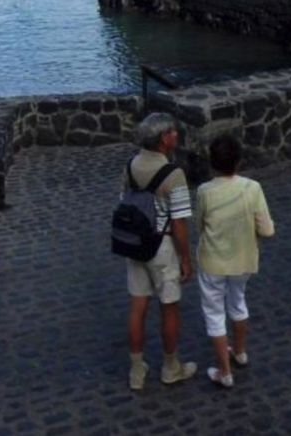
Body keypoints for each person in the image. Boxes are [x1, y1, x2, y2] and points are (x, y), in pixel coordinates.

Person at [122, 112, 197, 390]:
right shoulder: (174, 174)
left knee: (137, 306)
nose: (177, 135)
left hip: (135, 243)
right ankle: (171, 367)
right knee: (169, 306)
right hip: (162, 246)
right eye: (173, 132)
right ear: (164, 138)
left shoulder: (131, 165)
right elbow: (179, 222)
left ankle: (136, 371)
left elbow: (124, 200)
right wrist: (186, 258)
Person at [194, 133, 274, 389]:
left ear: (212, 163)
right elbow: (267, 230)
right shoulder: (253, 188)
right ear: (239, 161)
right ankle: (239, 351)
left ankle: (224, 372)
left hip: (212, 262)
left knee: (214, 313)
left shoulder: (204, 191)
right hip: (243, 260)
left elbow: (199, 225)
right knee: (238, 303)